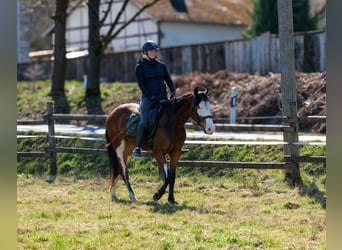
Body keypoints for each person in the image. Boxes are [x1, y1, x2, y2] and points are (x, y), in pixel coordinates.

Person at [131, 40, 176, 157]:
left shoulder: (160, 65)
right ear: (145, 52)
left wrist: (172, 91)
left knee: (172, 117)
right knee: (145, 121)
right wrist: (151, 97)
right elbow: (142, 85)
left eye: (155, 51)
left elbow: (168, 80)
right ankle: (138, 147)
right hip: (148, 98)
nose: (154, 53)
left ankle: (175, 144)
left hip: (163, 97)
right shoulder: (139, 66)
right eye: (151, 51)